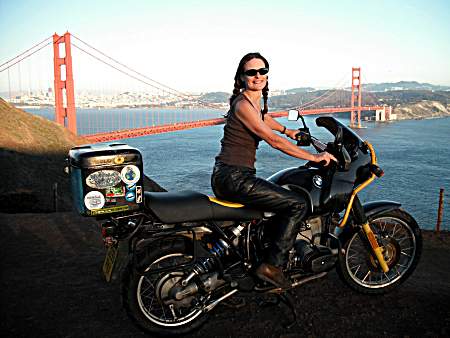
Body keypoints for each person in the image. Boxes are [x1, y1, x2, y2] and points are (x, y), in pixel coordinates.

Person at [211, 52, 337, 289]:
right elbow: (272, 140)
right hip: (234, 177)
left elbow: (264, 119)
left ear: (267, 75)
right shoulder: (242, 105)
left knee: (278, 197)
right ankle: (272, 266)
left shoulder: (250, 102)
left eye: (262, 71)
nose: (258, 76)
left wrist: (288, 131)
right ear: (242, 77)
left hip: (231, 175)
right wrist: (314, 156)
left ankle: (261, 251)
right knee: (297, 203)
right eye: (251, 72)